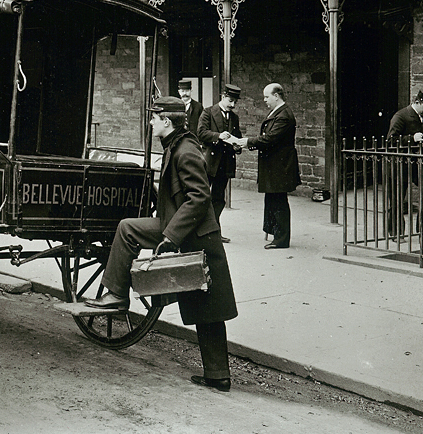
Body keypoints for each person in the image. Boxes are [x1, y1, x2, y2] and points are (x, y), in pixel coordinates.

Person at [86, 96, 238, 392]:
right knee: (207, 306)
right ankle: (218, 375)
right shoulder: (176, 144)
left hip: (194, 234)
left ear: (167, 121)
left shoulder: (185, 150)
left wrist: (170, 236)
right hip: (188, 230)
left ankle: (116, 295)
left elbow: (199, 197)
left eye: (154, 118)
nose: (151, 122)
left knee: (127, 229)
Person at [240, 83, 300, 249]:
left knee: (279, 200)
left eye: (267, 97)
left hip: (280, 166)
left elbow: (270, 138)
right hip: (275, 164)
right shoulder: (278, 112)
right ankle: (275, 232)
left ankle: (281, 240)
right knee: (273, 198)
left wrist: (247, 142)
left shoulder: (283, 115)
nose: (265, 100)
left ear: (276, 96)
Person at [386, 87, 423, 236]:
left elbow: (422, 136)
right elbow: (390, 141)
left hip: (416, 161)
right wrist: (411, 138)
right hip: (399, 162)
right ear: (417, 102)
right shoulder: (400, 116)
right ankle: (395, 232)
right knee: (397, 197)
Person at [197, 84, 243, 242]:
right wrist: (218, 136)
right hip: (210, 163)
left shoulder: (234, 118)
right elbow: (201, 133)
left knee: (218, 199)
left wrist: (237, 146)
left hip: (225, 164)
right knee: (203, 197)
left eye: (235, 102)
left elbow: (237, 137)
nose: (233, 105)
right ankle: (199, 231)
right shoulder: (208, 112)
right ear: (223, 96)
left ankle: (214, 231)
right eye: (230, 101)